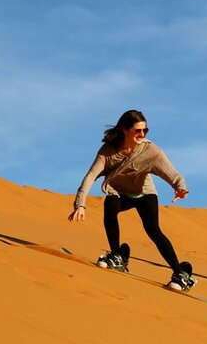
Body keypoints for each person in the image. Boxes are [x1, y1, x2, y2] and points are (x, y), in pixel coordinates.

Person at [68, 109, 196, 291]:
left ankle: (180, 274)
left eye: (145, 131)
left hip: (144, 194)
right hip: (120, 193)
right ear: (125, 130)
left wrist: (180, 187)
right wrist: (80, 204)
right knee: (110, 206)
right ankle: (116, 256)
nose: (142, 134)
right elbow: (90, 176)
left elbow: (170, 172)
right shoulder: (108, 151)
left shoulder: (150, 150)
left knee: (153, 230)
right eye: (138, 130)